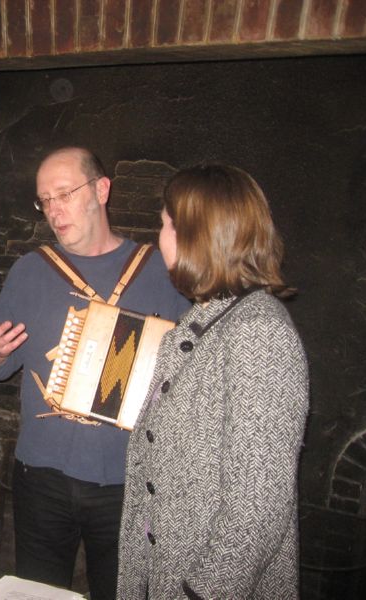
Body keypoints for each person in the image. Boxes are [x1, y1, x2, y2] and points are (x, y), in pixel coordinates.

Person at [0, 147, 189, 599]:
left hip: (130, 483)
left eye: (64, 194)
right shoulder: (31, 270)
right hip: (41, 477)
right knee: (37, 595)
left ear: (101, 190)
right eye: (45, 200)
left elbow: (192, 379)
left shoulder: (160, 271)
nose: (54, 210)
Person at [116, 164, 309, 599]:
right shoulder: (201, 323)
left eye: (165, 224)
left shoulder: (259, 331)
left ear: (196, 234)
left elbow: (256, 512)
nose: (159, 237)